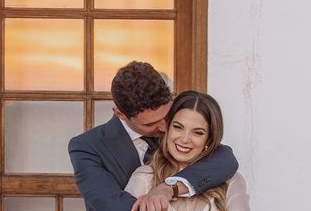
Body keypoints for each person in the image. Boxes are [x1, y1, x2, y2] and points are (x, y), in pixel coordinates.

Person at [68, 61, 239, 211]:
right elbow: (111, 205)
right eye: (150, 124)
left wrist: (169, 187)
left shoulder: (177, 130)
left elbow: (225, 159)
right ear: (120, 114)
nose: (164, 127)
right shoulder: (87, 147)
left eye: (166, 116)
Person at [125, 90, 250, 211]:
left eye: (197, 133)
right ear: (167, 128)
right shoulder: (145, 177)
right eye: (178, 127)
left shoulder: (231, 181)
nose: (185, 139)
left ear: (209, 139)